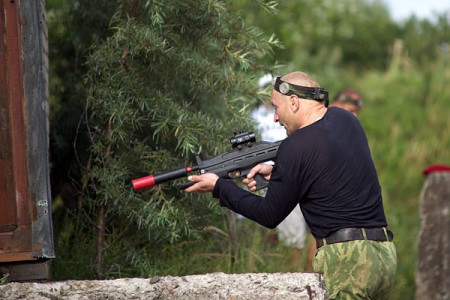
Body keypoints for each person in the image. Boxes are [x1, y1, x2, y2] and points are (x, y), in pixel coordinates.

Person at [184, 71, 397, 299]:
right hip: (384, 255)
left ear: (294, 102)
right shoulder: (347, 119)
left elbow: (269, 215)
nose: (276, 117)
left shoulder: (295, 146)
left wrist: (220, 187)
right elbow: (332, 167)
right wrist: (280, 171)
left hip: (347, 260)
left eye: (276, 107)